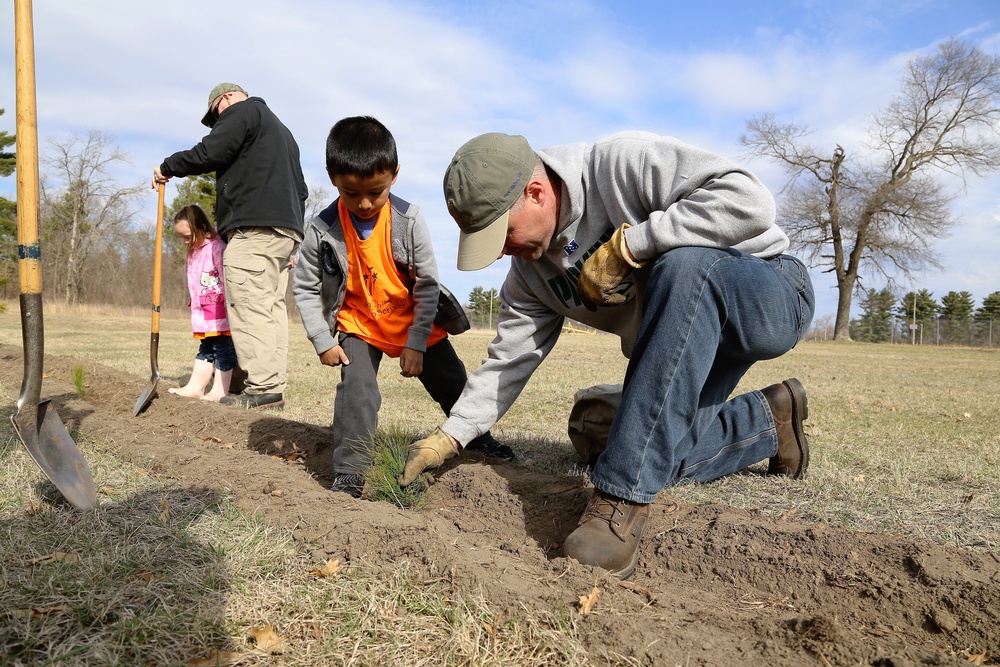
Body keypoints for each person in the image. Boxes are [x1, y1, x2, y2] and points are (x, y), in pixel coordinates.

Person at [400, 131, 815, 579]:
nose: (501, 252)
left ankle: (620, 501)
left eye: (503, 233)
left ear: (535, 193)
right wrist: (452, 435)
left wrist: (633, 245)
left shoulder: (620, 165)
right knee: (651, 453)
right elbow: (508, 360)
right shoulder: (529, 277)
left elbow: (751, 202)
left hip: (766, 291)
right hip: (691, 346)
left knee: (686, 265)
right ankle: (769, 420)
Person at [293, 116, 513, 497]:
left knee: (453, 382)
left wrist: (416, 341)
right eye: (350, 193)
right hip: (360, 323)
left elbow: (427, 286)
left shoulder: (409, 222)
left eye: (375, 192)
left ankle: (478, 439)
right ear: (333, 178)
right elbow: (305, 285)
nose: (363, 203)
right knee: (357, 390)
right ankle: (350, 469)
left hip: (414, 321)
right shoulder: (321, 229)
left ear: (394, 175)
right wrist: (321, 338)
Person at [153, 83, 307, 410]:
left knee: (250, 306)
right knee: (270, 310)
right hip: (285, 230)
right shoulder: (282, 131)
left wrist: (168, 166)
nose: (217, 122)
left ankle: (263, 388)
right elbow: (302, 190)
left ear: (225, 99)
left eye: (215, 116)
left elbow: (211, 151)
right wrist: (294, 234)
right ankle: (272, 387)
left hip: (254, 229)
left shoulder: (242, 111)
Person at [168, 205, 237, 401]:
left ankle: (220, 390)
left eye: (188, 235)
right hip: (202, 311)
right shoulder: (194, 251)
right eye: (182, 237)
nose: (185, 241)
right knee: (206, 347)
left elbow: (225, 278)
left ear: (202, 227)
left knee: (223, 348)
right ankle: (196, 386)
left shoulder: (216, 248)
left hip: (218, 310)